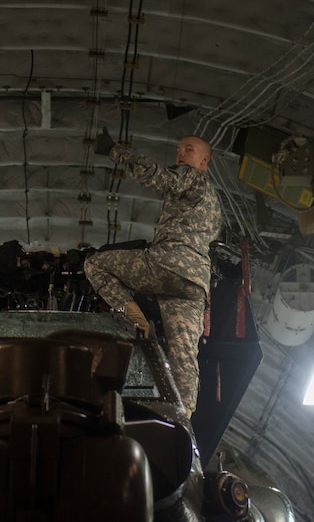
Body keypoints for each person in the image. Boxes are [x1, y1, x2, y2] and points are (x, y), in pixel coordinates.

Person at [84, 130, 223, 415]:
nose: (181, 153)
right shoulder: (215, 207)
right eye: (179, 149)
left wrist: (115, 151)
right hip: (194, 285)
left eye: (189, 149)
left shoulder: (193, 177)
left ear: (204, 161)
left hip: (168, 264)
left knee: (94, 264)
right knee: (184, 354)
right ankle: (183, 421)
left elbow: (158, 177)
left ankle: (137, 321)